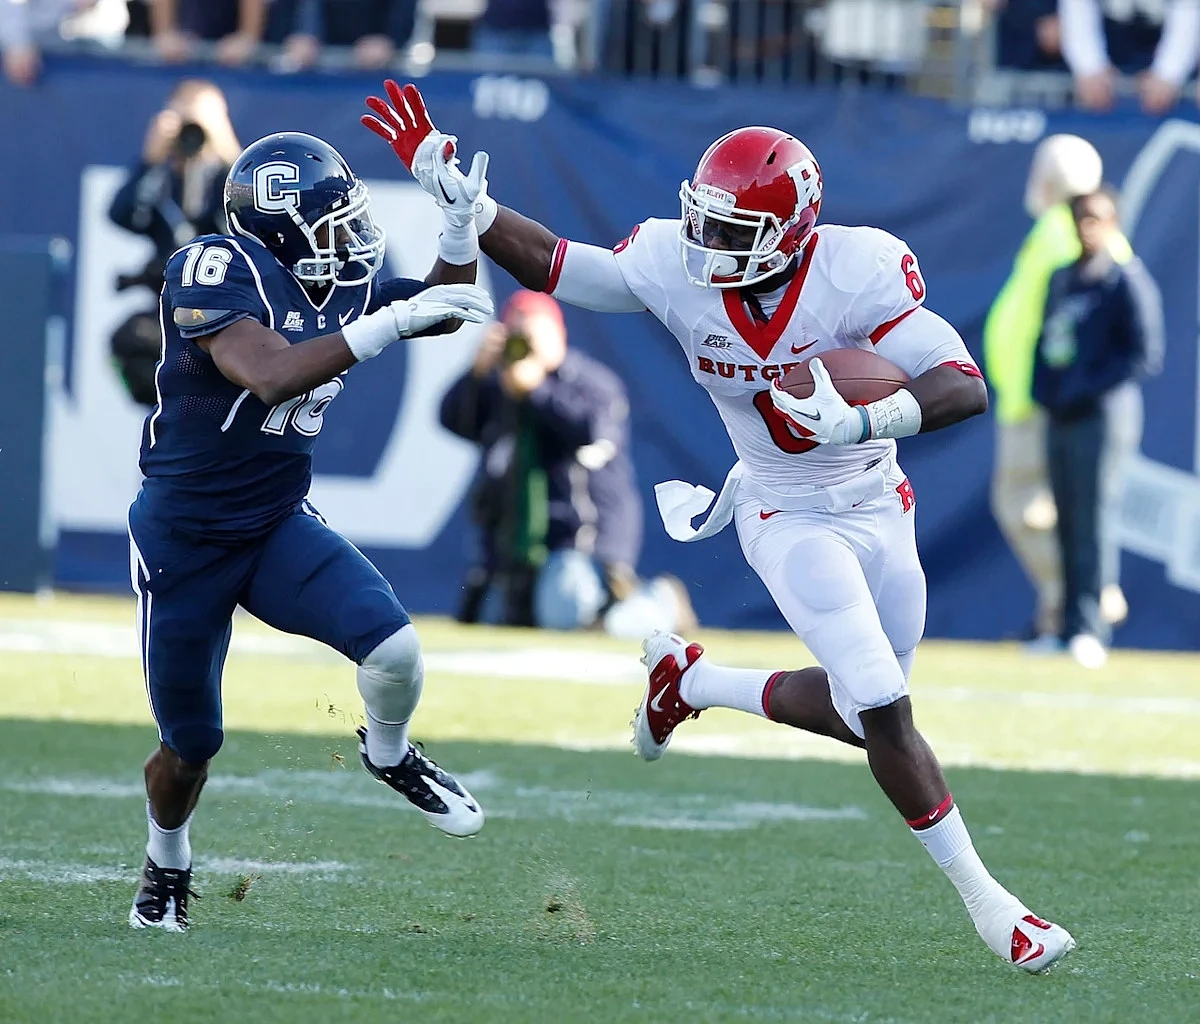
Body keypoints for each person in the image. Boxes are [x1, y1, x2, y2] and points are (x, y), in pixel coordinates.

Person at [361, 80, 1075, 972]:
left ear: (793, 234)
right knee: (883, 707)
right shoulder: (674, 263)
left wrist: (861, 419)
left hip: (877, 502)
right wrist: (473, 205)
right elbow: (561, 266)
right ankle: (996, 910)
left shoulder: (856, 270)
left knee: (865, 717)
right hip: (783, 510)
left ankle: (690, 682)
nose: (707, 243)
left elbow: (963, 384)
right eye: (703, 220)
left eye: (733, 231)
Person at [126, 130, 493, 932]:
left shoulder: (344, 286)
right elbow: (269, 374)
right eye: (334, 223)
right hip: (185, 540)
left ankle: (389, 753)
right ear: (282, 227)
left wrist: (459, 230)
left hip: (274, 524)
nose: (353, 238)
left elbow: (446, 308)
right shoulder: (216, 267)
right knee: (191, 745)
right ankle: (167, 859)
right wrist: (390, 325)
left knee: (396, 650)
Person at [439, 288, 696, 636]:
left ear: (557, 333)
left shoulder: (590, 383)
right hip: (514, 547)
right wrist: (477, 372)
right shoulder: (500, 389)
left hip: (580, 541)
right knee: (489, 622)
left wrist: (536, 390)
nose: (524, 345)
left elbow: (590, 431)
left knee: (566, 616)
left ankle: (659, 605)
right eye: (516, 335)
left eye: (531, 335)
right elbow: (453, 420)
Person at [983, 134, 1134, 648]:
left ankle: (1083, 597)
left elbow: (1065, 324)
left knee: (1026, 505)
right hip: (1038, 395)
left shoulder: (1062, 232)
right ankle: (1062, 613)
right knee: (1050, 507)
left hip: (1041, 399)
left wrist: (1045, 386)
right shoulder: (1066, 230)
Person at [1033, 187, 1164, 668]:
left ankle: (1091, 629)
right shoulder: (1063, 278)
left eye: (1097, 217)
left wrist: (1085, 388)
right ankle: (1065, 627)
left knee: (1093, 519)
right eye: (1080, 217)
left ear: (1113, 223)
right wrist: (1044, 390)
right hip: (1061, 415)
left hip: (1103, 417)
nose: (1087, 226)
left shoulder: (1125, 280)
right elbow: (1047, 342)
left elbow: (1144, 354)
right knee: (1065, 519)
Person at [108, 80, 242, 408]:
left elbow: (248, 221)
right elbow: (122, 215)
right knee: (130, 340)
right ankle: (166, 414)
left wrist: (228, 152)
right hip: (171, 309)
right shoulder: (161, 181)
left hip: (229, 309)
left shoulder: (228, 181)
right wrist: (150, 161)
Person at [1058, 0, 1200, 114]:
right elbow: (1078, 8)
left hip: (1157, 51)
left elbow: (1188, 12)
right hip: (1113, 49)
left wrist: (1168, 73)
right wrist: (1090, 67)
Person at [267, 0, 416, 72]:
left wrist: (390, 39)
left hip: (374, 68)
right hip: (310, 71)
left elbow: (404, 13)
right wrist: (297, 35)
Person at [149, 0, 267, 65]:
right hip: (182, 52)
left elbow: (247, 39)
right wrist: (165, 33)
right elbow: (165, 36)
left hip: (235, 59)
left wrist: (247, 37)